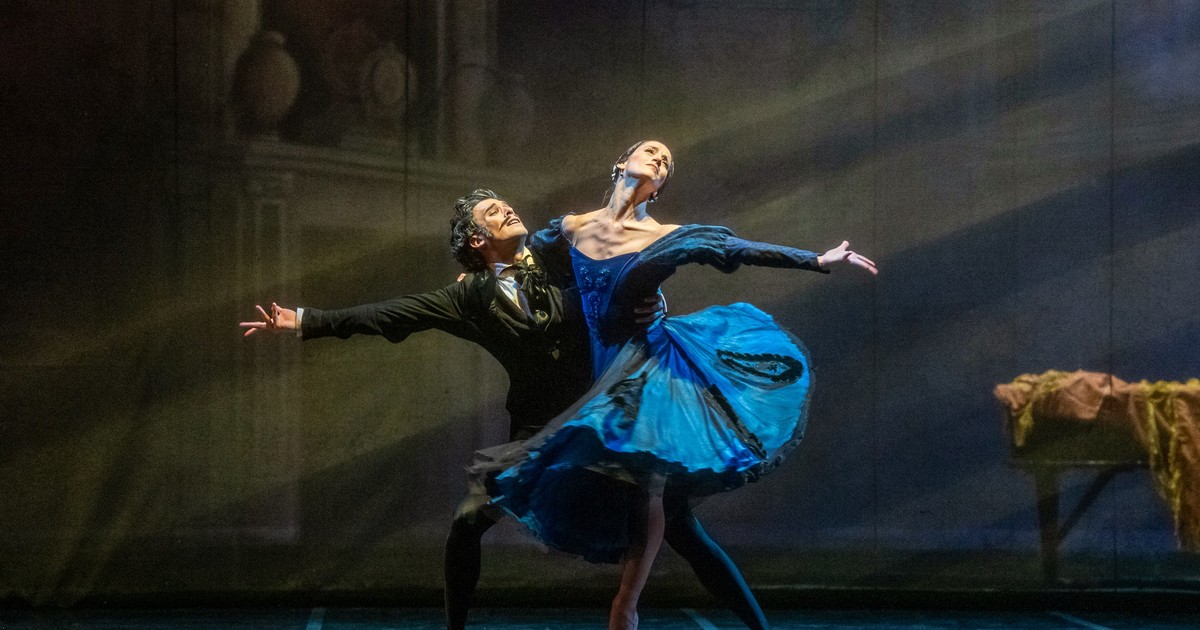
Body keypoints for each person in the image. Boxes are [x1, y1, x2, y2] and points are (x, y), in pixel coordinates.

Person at [240, 189, 776, 630]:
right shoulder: (470, 296)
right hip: (538, 433)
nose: (508, 210)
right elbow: (391, 314)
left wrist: (654, 303)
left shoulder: (560, 259)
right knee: (468, 522)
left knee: (682, 529)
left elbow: (622, 271)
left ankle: (760, 628)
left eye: (506, 205)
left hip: (603, 421)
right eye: (494, 212)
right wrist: (304, 320)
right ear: (477, 239)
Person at [476, 141, 877, 629]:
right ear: (621, 162)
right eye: (651, 151)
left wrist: (814, 259)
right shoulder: (573, 226)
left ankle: (626, 606)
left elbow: (732, 248)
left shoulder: (665, 237)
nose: (660, 159)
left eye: (666, 161)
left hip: (650, 369)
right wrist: (487, 272)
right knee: (685, 531)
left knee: (647, 486)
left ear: (660, 187)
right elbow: (535, 261)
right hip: (602, 375)